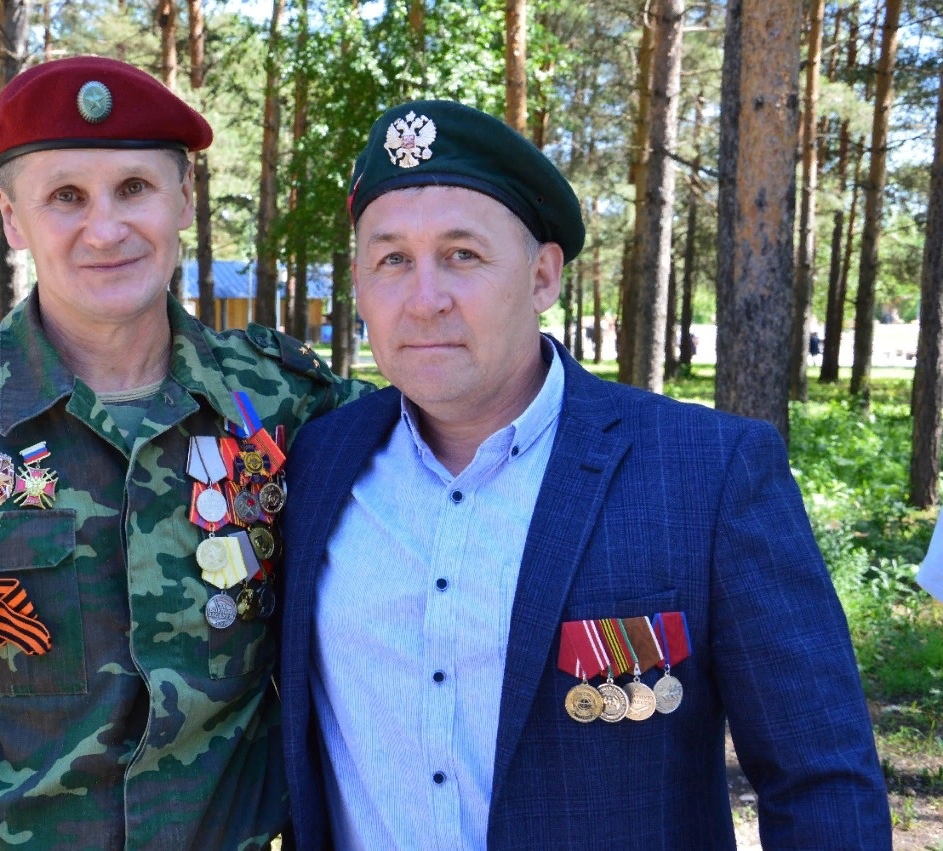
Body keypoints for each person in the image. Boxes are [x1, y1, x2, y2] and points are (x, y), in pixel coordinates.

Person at [0, 56, 365, 850]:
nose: (105, 229)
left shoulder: (287, 403)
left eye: (134, 188)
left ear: (184, 198)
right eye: (66, 196)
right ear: (13, 218)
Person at [277, 101, 892, 848]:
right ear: (359, 284)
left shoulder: (706, 473)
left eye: (463, 254)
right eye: (392, 260)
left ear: (542, 277)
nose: (425, 299)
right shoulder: (316, 464)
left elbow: (821, 778)